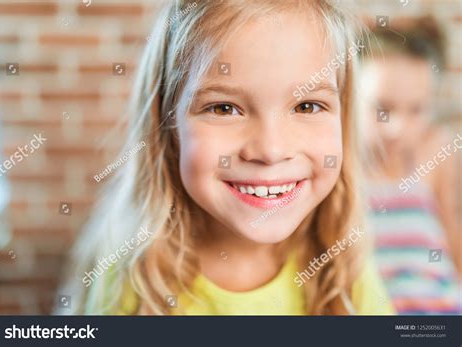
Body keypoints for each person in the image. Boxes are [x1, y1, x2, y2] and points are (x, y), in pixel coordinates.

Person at [60, 0, 393, 315]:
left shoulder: (344, 264)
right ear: (168, 126)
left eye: (307, 106)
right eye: (223, 108)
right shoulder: (127, 277)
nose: (271, 150)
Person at [361, 16, 461, 314]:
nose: (397, 129)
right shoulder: (337, 165)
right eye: (382, 109)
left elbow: (452, 230)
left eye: (416, 109)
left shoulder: (436, 152)